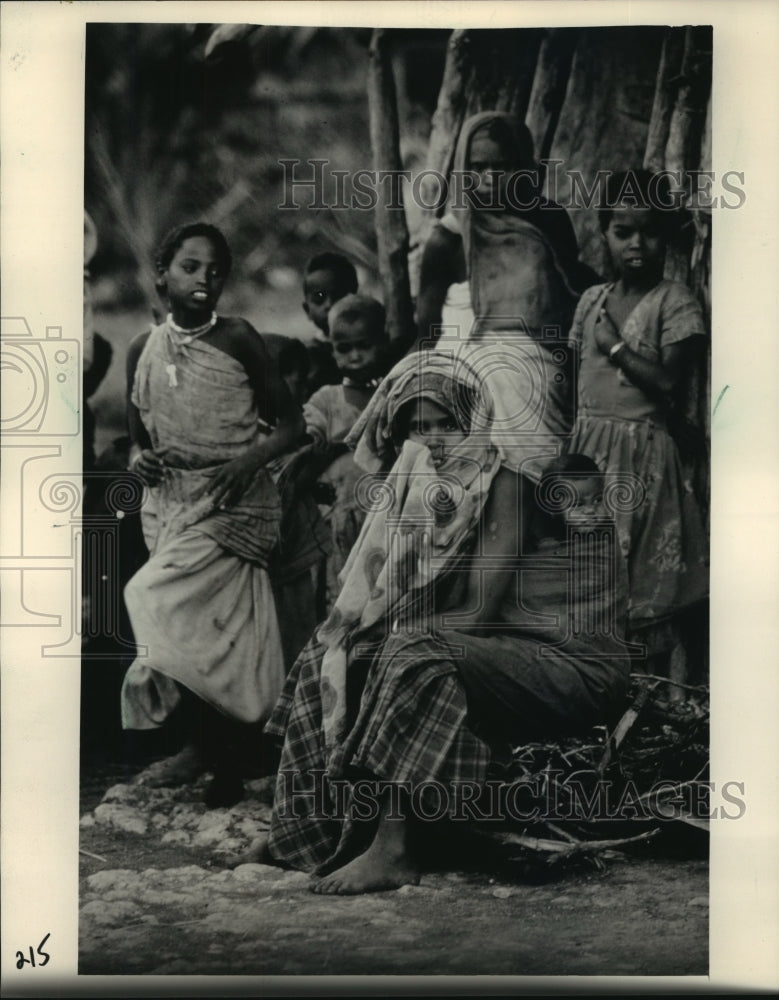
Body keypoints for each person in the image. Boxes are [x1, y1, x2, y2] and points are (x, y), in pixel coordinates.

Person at [250, 348, 631, 894]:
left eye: (445, 422)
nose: (434, 439)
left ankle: (395, 848)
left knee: (412, 651)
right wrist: (360, 633)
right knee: (330, 646)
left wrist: (390, 632)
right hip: (512, 656)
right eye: (418, 426)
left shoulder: (507, 486)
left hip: (572, 666)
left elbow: (475, 609)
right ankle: (302, 834)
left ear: (472, 416)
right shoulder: (437, 483)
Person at [121, 222, 304, 806]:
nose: (204, 279)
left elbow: (292, 427)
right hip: (171, 505)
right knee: (199, 636)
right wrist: (138, 462)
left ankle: (235, 752)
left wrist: (248, 462)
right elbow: (135, 437)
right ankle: (211, 751)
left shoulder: (240, 338)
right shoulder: (141, 350)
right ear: (162, 275)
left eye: (215, 270)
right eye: (190, 267)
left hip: (235, 504)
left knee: (152, 597)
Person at [566, 169, 709, 665]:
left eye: (648, 232)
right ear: (603, 231)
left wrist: (617, 346)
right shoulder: (591, 302)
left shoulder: (675, 301)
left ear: (666, 235)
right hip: (588, 455)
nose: (636, 244)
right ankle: (596, 681)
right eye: (622, 231)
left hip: (640, 458)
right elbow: (574, 377)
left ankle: (653, 689)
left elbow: (669, 380)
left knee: (644, 579)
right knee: (589, 569)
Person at [415, 110, 596, 352]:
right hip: (462, 359)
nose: (490, 178)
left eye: (502, 167)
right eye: (477, 168)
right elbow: (428, 333)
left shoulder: (549, 221)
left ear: (524, 165)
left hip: (539, 359)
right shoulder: (448, 239)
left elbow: (573, 298)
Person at [302, 294, 389, 611]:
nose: (354, 356)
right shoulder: (326, 400)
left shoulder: (392, 395)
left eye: (363, 346)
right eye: (344, 348)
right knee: (340, 598)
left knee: (382, 595)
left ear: (383, 341)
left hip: (385, 516)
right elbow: (307, 451)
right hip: (340, 520)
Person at [301, 251, 358, 394]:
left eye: (339, 295)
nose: (329, 304)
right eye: (319, 298)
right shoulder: (307, 357)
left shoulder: (370, 344)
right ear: (307, 310)